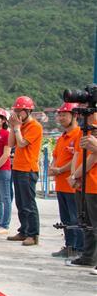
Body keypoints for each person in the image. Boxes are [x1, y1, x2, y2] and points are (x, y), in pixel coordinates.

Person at [6, 96, 43, 246]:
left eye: (19, 111)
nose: (16, 114)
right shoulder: (19, 126)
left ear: (28, 111)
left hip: (28, 169)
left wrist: (16, 127)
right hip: (18, 167)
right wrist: (12, 127)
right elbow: (10, 143)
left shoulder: (35, 126)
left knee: (29, 203)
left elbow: (21, 144)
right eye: (15, 111)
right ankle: (24, 230)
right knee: (20, 202)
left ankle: (33, 234)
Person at [50, 102, 83, 258]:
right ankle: (69, 246)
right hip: (60, 184)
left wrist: (60, 170)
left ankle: (78, 248)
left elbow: (77, 157)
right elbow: (55, 156)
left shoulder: (78, 134)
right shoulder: (62, 137)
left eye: (64, 115)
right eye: (60, 115)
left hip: (71, 184)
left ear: (74, 115)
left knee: (75, 217)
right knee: (65, 219)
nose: (61, 118)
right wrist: (52, 168)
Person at [68, 111, 97, 270]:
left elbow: (93, 157)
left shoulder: (94, 129)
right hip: (82, 181)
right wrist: (75, 175)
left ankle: (92, 257)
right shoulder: (83, 130)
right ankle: (88, 256)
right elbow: (77, 153)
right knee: (85, 222)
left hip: (92, 182)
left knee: (94, 224)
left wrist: (76, 175)